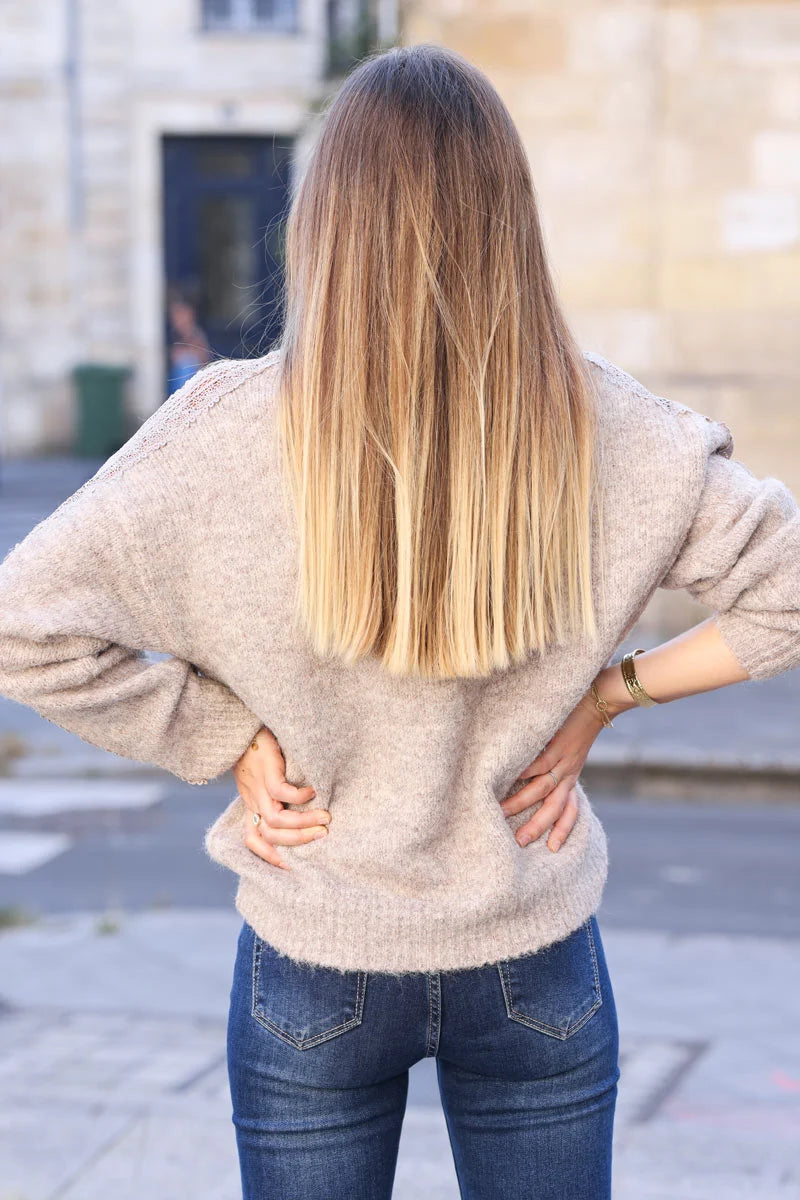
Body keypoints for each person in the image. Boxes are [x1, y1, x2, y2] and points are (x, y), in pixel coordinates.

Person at [0, 42, 798, 1200]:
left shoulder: (221, 432)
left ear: (322, 224)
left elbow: (24, 620)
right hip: (531, 941)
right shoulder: (612, 427)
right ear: (507, 220)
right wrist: (608, 695)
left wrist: (219, 739)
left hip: (314, 949)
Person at [166, 293, 211, 395]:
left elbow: (204, 359)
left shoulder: (196, 334)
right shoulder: (171, 335)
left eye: (182, 315)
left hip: (192, 384)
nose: (178, 320)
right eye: (176, 316)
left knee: (186, 364)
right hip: (174, 384)